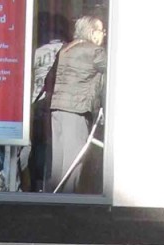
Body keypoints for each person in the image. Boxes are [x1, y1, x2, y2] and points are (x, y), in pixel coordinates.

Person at [46, 15, 106, 193]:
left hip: (57, 109)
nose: (104, 35)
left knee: (59, 163)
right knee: (74, 163)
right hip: (76, 110)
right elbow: (116, 73)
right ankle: (69, 206)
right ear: (92, 33)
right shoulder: (95, 52)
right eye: (101, 31)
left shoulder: (66, 49)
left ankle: (54, 201)